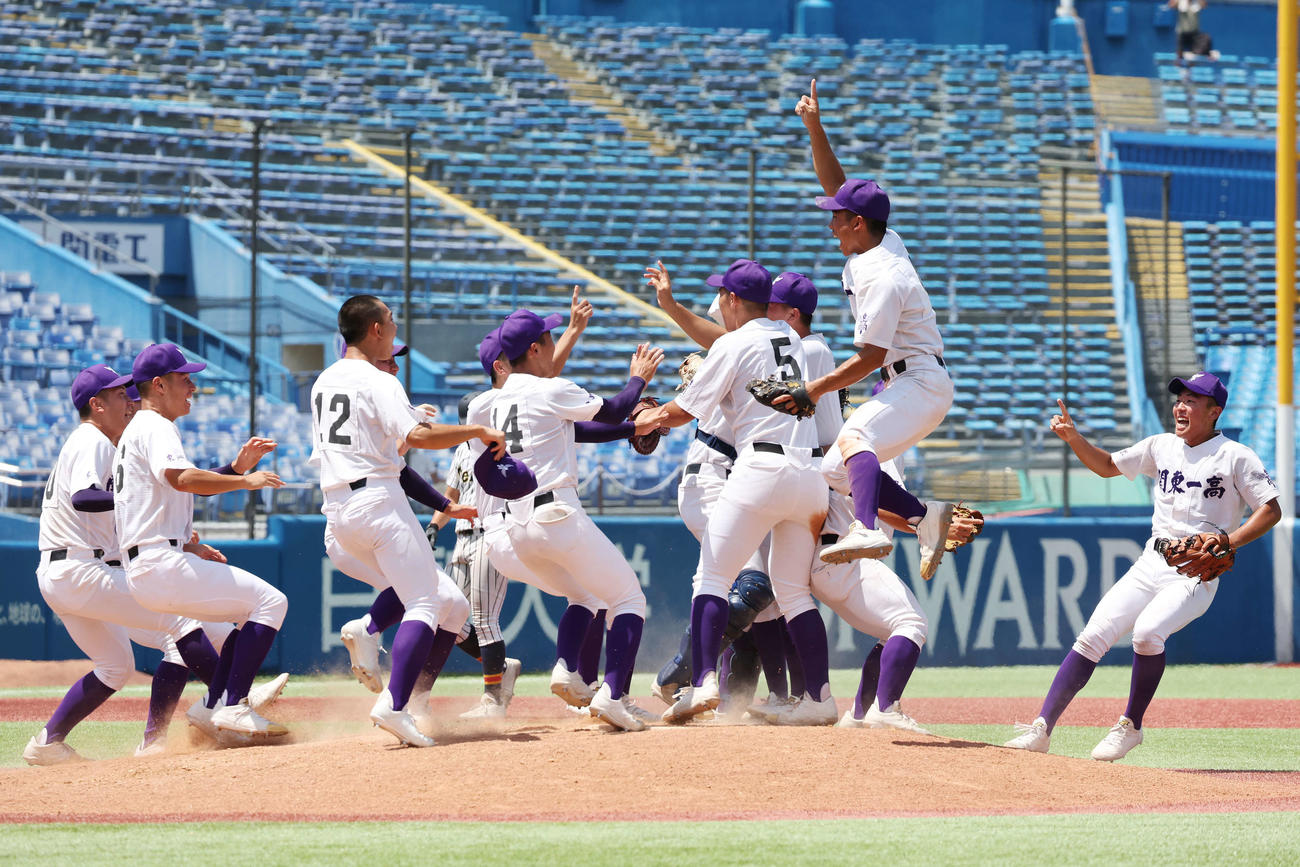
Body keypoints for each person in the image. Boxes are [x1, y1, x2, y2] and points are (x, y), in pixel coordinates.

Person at [1005, 374, 1279, 761]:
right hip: (1152, 560)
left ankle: (1130, 725)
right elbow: (1107, 466)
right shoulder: (1160, 446)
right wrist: (1073, 438)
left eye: (1192, 401)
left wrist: (1229, 541)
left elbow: (1270, 509)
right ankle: (1041, 728)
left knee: (1148, 633)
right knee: (1092, 635)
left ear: (1214, 412)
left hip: (1195, 571)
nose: (1180, 407)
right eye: (1179, 399)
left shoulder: (1235, 455)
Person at [641, 259, 834, 726]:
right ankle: (819, 698)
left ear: (730, 300)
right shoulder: (791, 337)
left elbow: (684, 410)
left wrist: (647, 417)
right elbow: (739, 351)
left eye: (722, 298)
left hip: (760, 468)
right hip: (806, 476)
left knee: (710, 579)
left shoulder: (733, 343)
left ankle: (703, 681)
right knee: (792, 593)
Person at [311, 294, 505, 748]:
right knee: (424, 603)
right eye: (391, 320)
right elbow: (415, 437)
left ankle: (410, 698)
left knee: (451, 606)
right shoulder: (376, 380)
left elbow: (390, 456)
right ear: (375, 329)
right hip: (377, 503)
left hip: (340, 509)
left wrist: (445, 503)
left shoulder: (325, 381)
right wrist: (476, 430)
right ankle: (393, 703)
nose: (396, 327)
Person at [791, 78, 955, 577]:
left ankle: (866, 530)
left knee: (855, 434)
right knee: (835, 469)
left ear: (858, 224)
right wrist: (815, 127)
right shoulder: (884, 242)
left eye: (837, 219)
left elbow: (866, 359)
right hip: (908, 377)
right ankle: (927, 520)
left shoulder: (883, 274)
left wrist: (813, 389)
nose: (831, 223)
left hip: (919, 380)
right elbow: (838, 187)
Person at [470, 308, 664, 732]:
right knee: (629, 599)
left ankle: (568, 672)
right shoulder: (550, 388)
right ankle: (613, 696)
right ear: (535, 349)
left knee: (587, 597)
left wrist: (633, 427)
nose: (556, 344)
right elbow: (610, 411)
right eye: (550, 337)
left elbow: (574, 431)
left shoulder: (488, 404)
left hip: (517, 525)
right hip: (556, 512)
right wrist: (639, 380)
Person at [23, 365, 224, 765]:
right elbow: (84, 497)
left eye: (131, 394)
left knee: (115, 666)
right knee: (180, 622)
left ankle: (48, 742)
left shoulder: (105, 444)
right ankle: (228, 702)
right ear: (96, 405)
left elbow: (113, 517)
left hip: (67, 572)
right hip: (81, 570)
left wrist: (184, 544)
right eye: (119, 396)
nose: (130, 402)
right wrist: (136, 497)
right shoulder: (91, 439)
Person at [114, 344, 291, 743]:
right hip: (159, 562)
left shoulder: (139, 429)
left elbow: (180, 482)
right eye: (184, 378)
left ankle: (212, 705)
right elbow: (184, 479)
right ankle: (234, 705)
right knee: (271, 603)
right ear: (158, 385)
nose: (192, 386)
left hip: (153, 562)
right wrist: (244, 481)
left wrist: (234, 469)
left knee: (236, 622)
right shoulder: (156, 425)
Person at [426, 392, 523, 720]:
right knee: (449, 621)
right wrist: (434, 526)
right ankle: (503, 668)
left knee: (483, 621)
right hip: (461, 540)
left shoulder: (499, 449)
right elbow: (450, 497)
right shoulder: (461, 451)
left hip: (489, 534)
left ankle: (492, 701)